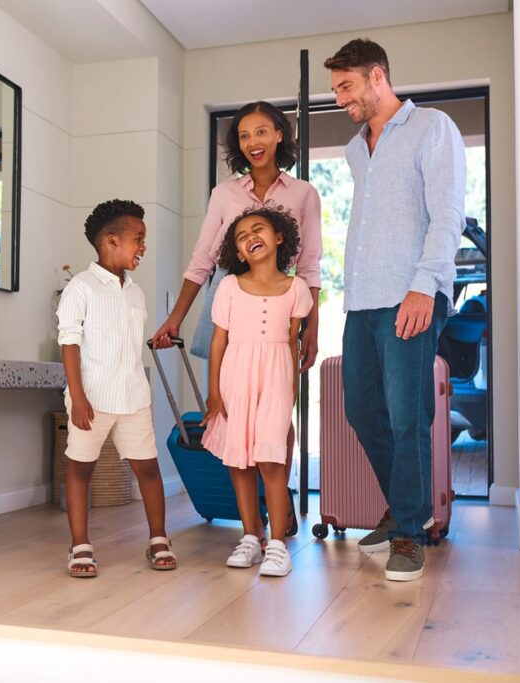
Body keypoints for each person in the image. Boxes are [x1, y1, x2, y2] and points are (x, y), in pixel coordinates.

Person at [325, 38, 465, 581]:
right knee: (361, 410)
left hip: (412, 292)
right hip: (362, 298)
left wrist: (424, 286)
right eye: (336, 89)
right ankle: (409, 508)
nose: (339, 99)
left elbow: (447, 214)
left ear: (377, 76)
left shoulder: (433, 128)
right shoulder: (357, 149)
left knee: (409, 416)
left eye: (346, 87)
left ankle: (409, 530)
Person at [151, 101, 323, 542]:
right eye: (244, 136)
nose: (253, 143)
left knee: (276, 412)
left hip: (282, 307)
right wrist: (175, 318)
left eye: (262, 132)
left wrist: (312, 330)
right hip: (230, 301)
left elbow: (309, 265)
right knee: (230, 409)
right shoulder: (224, 194)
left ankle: (276, 496)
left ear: (279, 135)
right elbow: (203, 259)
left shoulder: (304, 194)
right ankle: (250, 523)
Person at [56, 199, 178, 578]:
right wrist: (77, 396)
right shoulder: (81, 287)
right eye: (137, 239)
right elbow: (70, 342)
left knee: (149, 469)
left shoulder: (135, 292)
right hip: (91, 399)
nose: (143, 246)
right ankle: (80, 545)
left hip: (134, 397)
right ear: (111, 240)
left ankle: (158, 538)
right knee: (81, 469)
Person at [201, 207, 313, 577]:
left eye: (258, 229)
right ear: (238, 253)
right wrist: (214, 391)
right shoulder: (230, 287)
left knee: (271, 459)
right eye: (241, 236)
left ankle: (278, 544)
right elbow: (219, 342)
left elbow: (293, 341)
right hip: (237, 378)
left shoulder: (296, 288)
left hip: (276, 378)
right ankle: (252, 536)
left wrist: (292, 390)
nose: (250, 236)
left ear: (279, 237)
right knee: (239, 460)